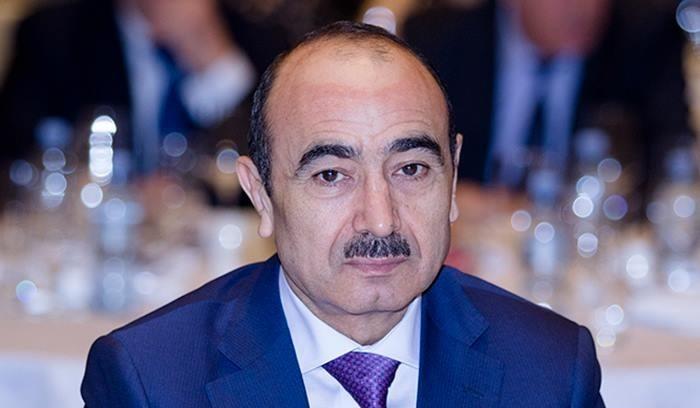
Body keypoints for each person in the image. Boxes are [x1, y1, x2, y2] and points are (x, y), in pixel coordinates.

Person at [81, 21, 605, 407]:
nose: (380, 220)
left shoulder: (551, 369)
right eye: (331, 175)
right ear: (260, 194)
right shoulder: (151, 380)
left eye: (411, 169)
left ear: (452, 177)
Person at [404, 0, 690, 195]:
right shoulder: (440, 42)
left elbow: (674, 163)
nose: (584, 8)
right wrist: (451, 196)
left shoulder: (642, 43)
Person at [0, 0, 288, 176]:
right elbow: (16, 162)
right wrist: (127, 195)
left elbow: (272, 177)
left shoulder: (259, 38)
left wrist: (214, 60)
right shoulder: (54, 34)